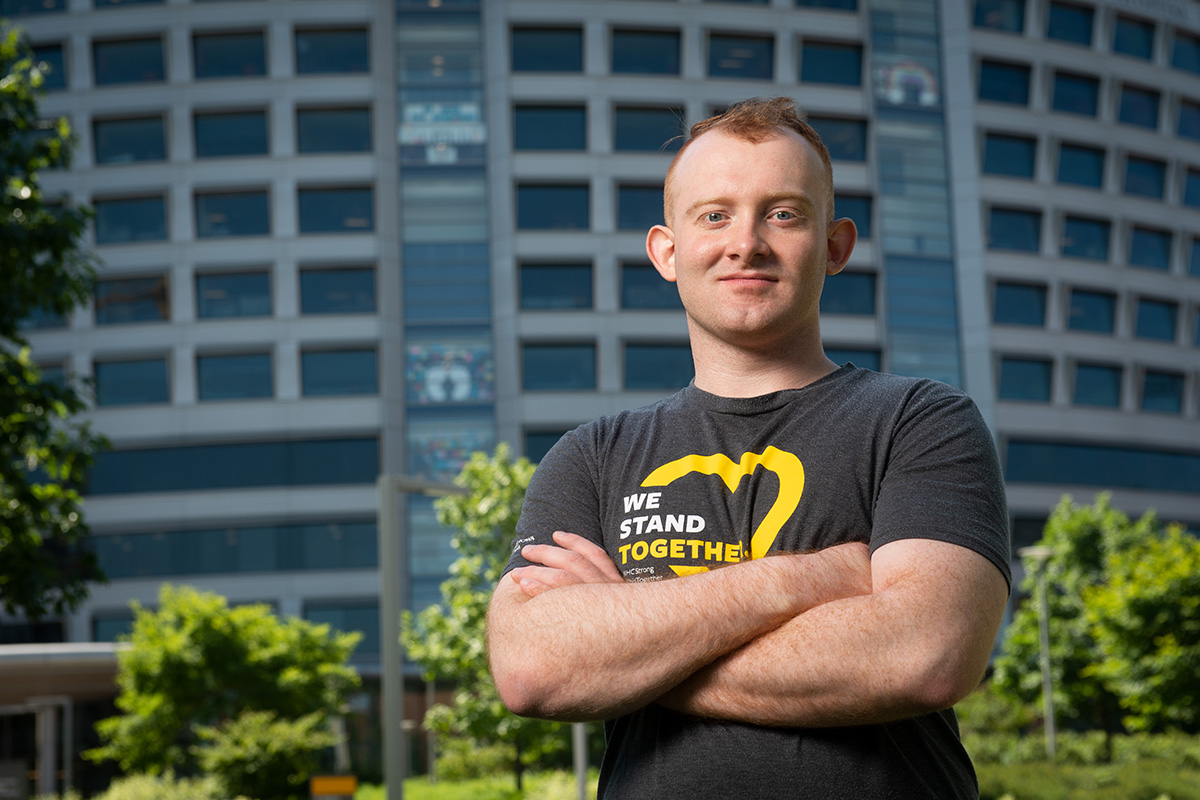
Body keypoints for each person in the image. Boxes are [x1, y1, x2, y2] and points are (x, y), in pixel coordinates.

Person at [486, 96, 1011, 799]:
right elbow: (531, 667)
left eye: (784, 213)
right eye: (714, 215)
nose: (747, 243)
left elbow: (927, 656)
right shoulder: (593, 456)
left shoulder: (921, 421)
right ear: (666, 251)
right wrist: (805, 580)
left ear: (835, 245)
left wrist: (629, 646)